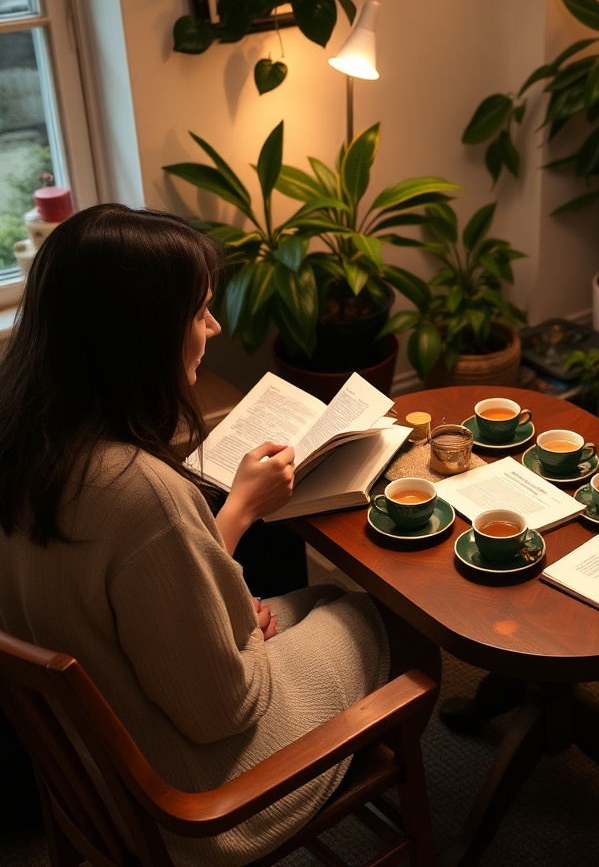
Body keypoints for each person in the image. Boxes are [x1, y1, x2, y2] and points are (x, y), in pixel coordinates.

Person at [0, 205, 396, 866]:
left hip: (90, 766)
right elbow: (224, 709)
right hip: (192, 806)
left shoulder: (25, 445)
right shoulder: (137, 492)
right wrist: (242, 628)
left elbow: (135, 603)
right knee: (369, 614)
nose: (212, 327)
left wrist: (233, 576)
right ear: (141, 336)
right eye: (199, 312)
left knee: (311, 604)